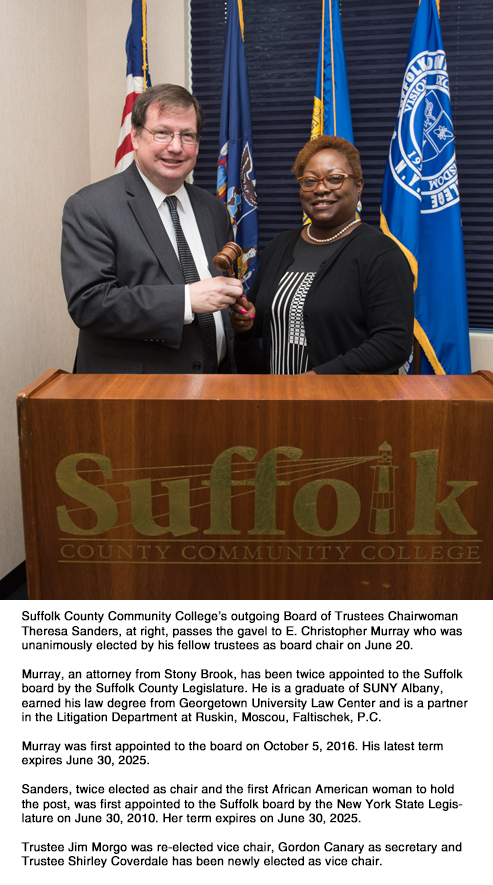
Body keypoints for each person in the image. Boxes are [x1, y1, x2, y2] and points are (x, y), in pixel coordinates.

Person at [61, 84, 244, 374]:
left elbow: (217, 291)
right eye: (162, 133)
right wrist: (186, 300)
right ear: (135, 136)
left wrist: (236, 316)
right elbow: (90, 304)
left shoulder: (213, 209)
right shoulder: (91, 206)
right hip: (135, 396)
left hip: (217, 384)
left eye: (188, 136)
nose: (176, 146)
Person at [230, 135, 414, 374]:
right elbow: (260, 323)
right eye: (309, 181)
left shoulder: (381, 254)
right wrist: (246, 322)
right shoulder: (279, 246)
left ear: (358, 186)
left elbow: (393, 344)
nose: (320, 189)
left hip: (343, 404)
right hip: (278, 401)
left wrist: (319, 379)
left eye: (335, 179)